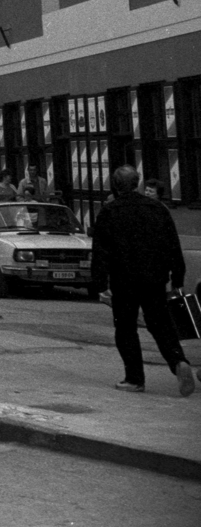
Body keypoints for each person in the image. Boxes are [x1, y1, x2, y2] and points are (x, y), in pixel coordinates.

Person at [90, 165, 193, 397]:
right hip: (154, 278)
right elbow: (173, 245)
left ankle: (134, 379)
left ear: (115, 186)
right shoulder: (157, 208)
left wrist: (100, 285)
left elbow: (101, 252)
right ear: (137, 184)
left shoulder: (109, 211)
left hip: (123, 280)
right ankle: (178, 362)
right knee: (161, 324)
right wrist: (177, 278)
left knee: (125, 328)